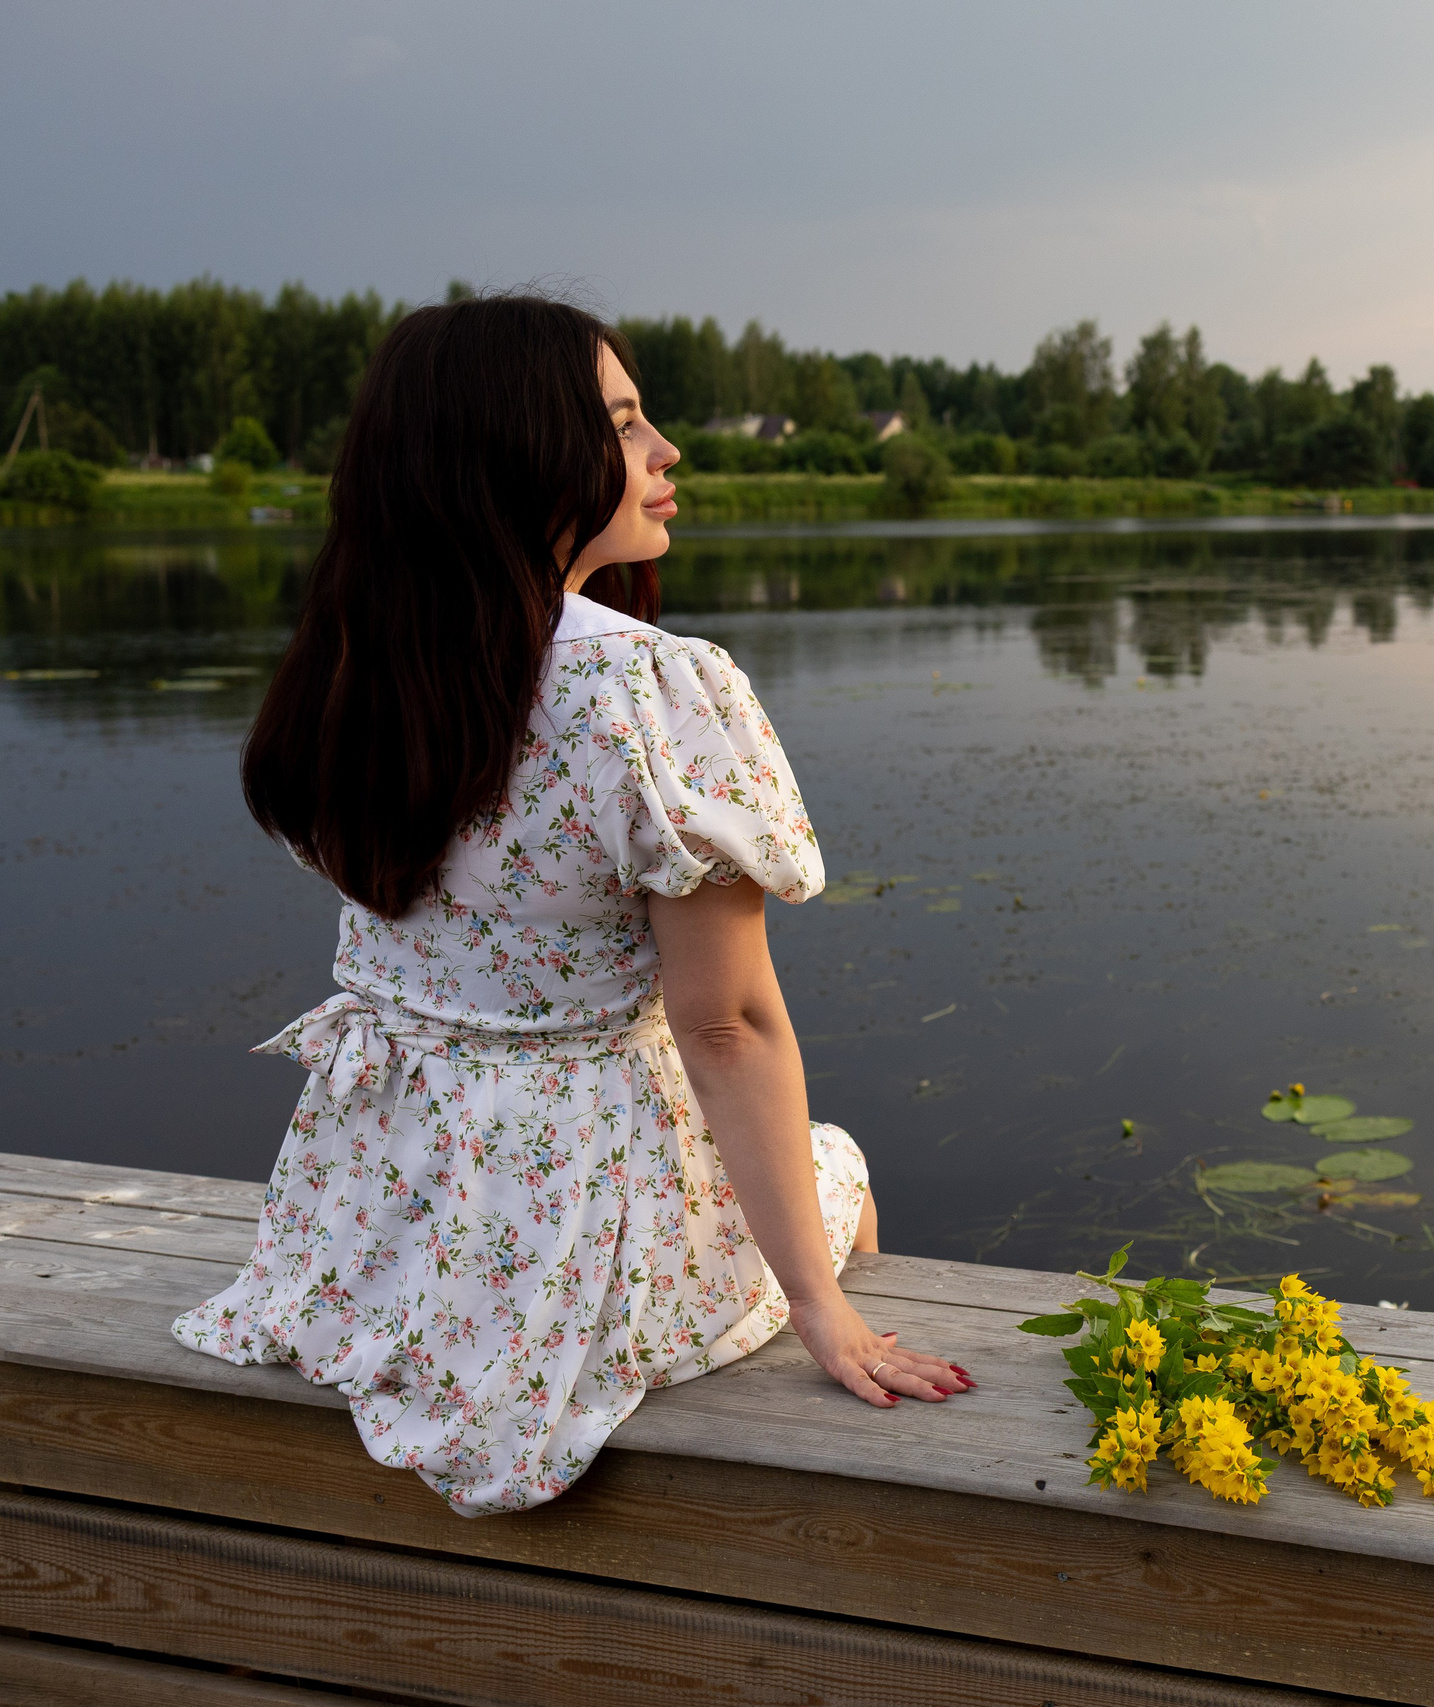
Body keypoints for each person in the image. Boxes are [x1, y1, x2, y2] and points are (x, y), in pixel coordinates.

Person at [175, 293, 970, 1516]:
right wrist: (822, 1306)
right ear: (518, 454)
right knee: (837, 1171)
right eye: (624, 423)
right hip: (567, 1218)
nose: (667, 453)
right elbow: (727, 1027)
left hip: (372, 1218)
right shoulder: (642, 687)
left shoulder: (358, 665)